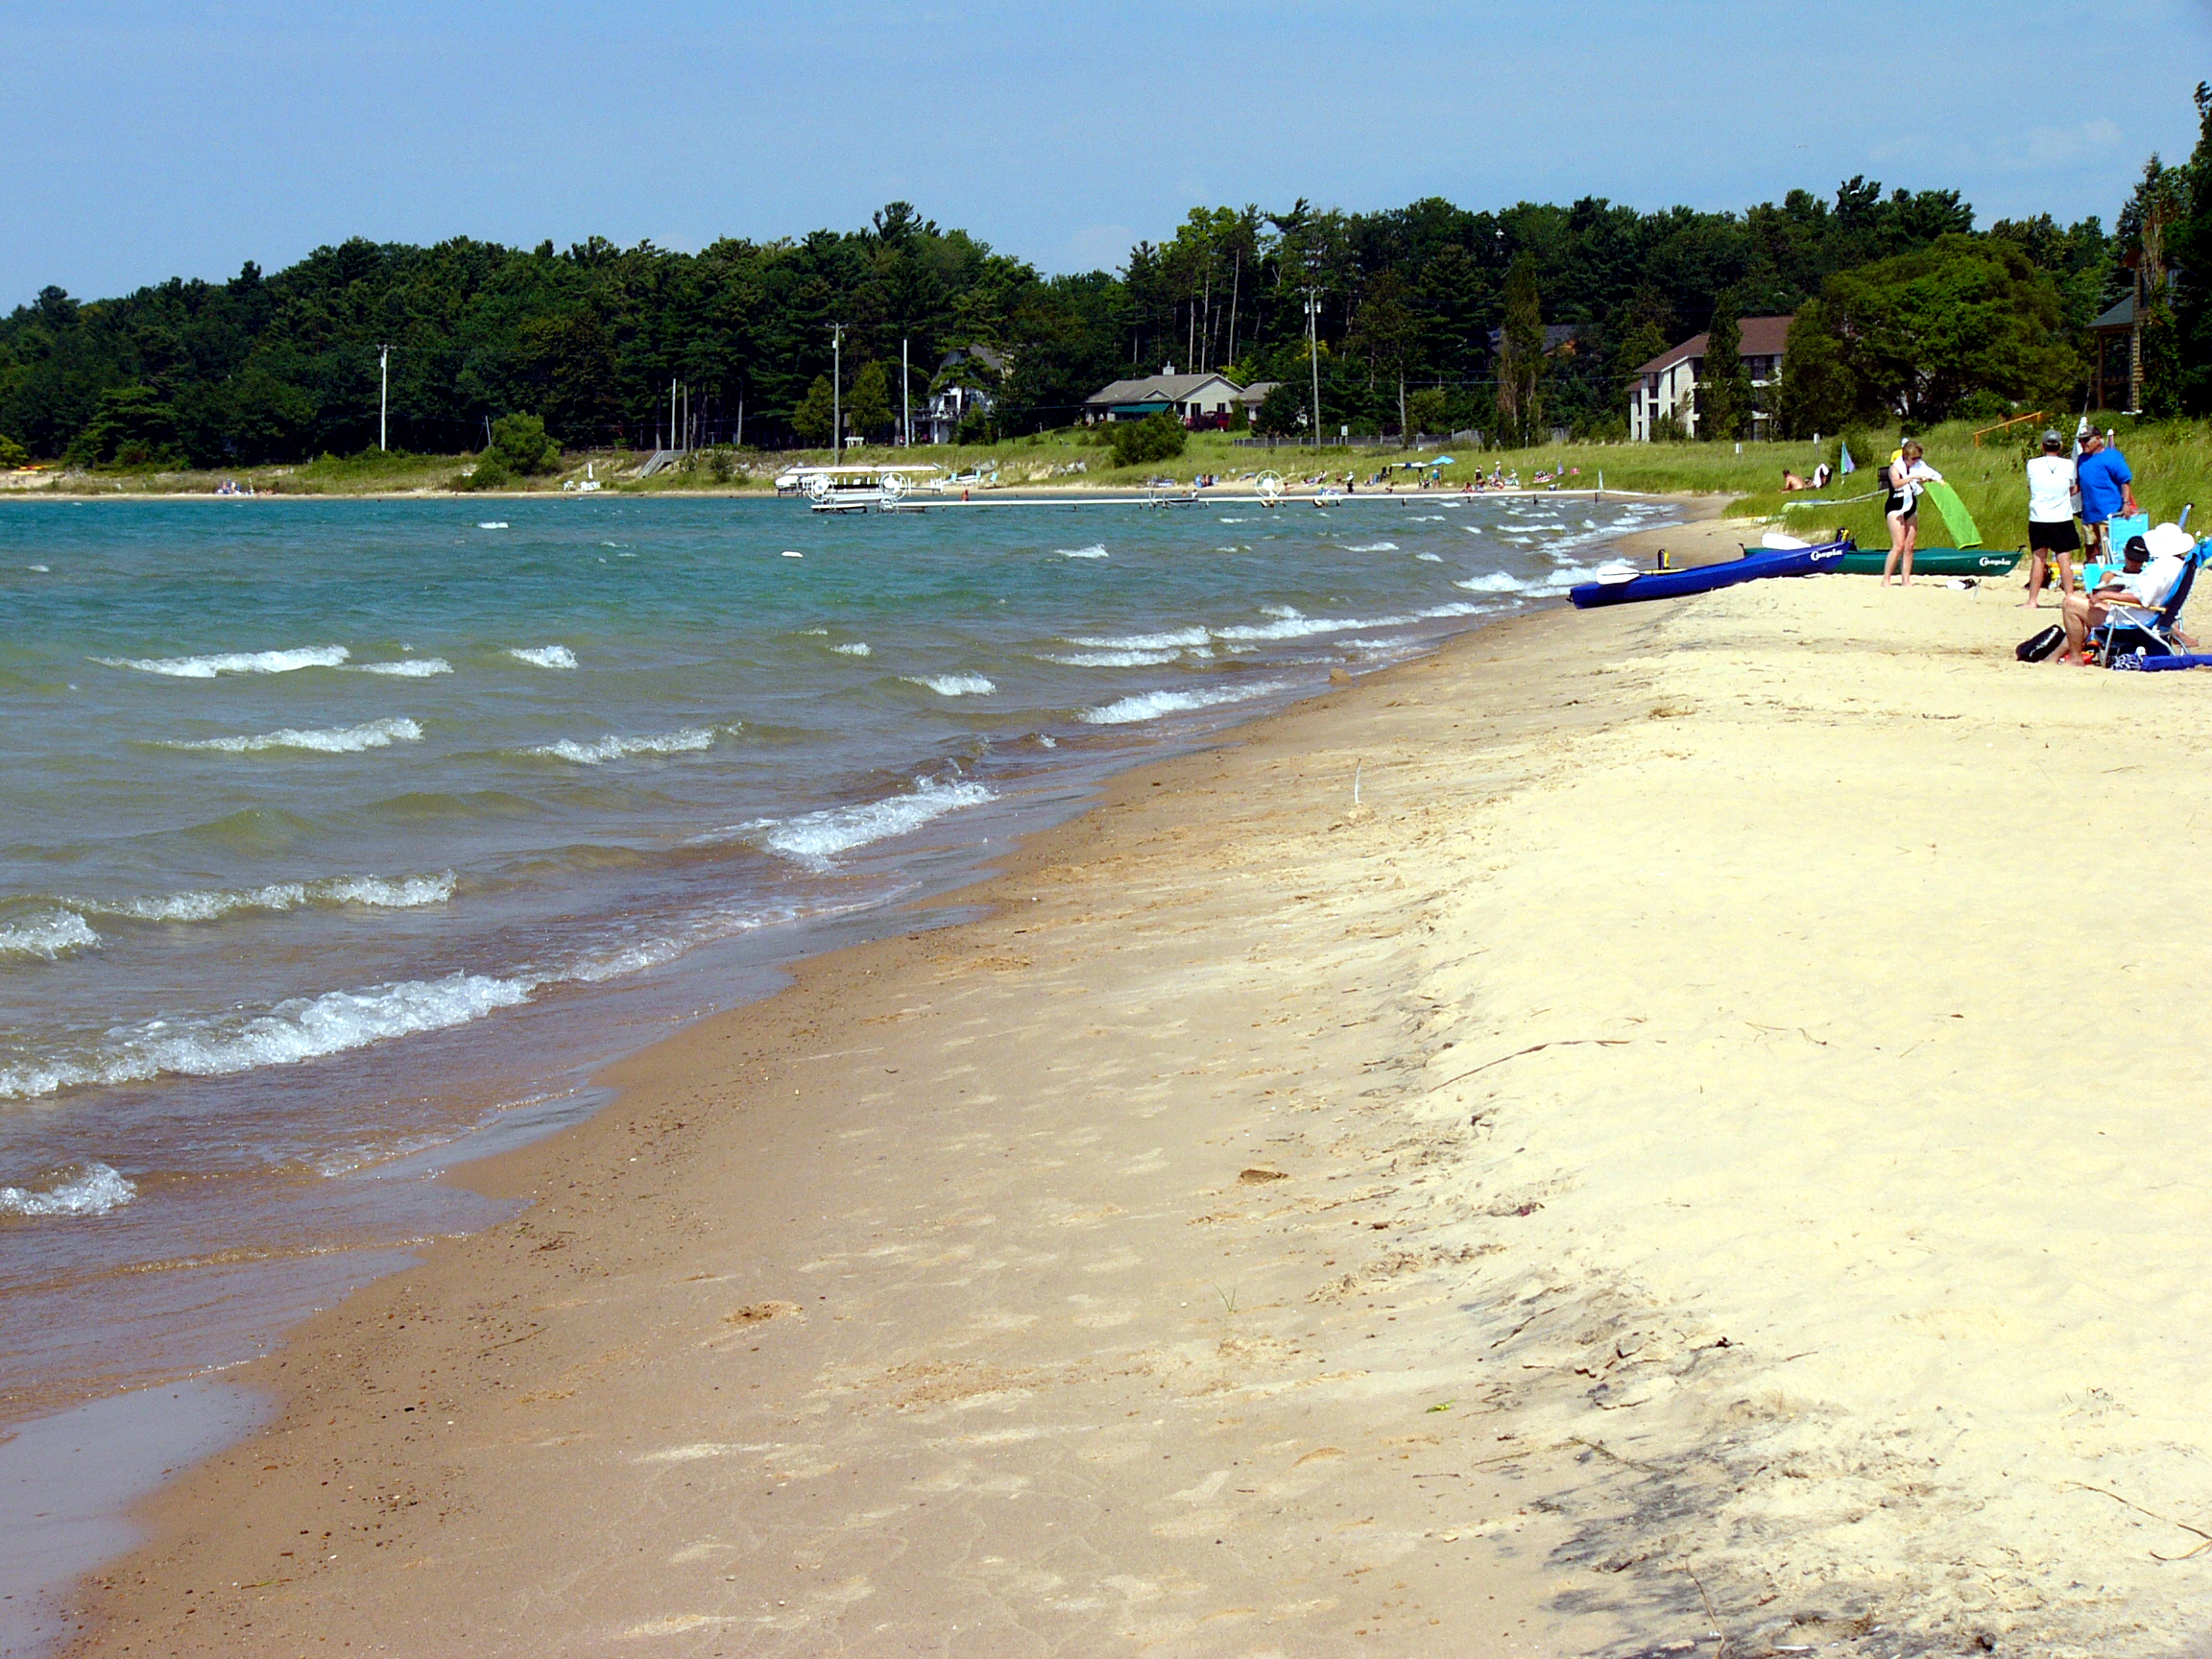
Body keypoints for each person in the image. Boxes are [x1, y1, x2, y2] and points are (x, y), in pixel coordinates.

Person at [2056, 533, 2183, 664]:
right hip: (2128, 611)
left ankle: (2071, 658)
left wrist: (2105, 596)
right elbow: (2097, 592)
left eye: (2139, 560)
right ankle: (2055, 657)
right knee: (2081, 615)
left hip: (2131, 616)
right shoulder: (2112, 575)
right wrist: (2103, 594)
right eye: (2132, 558)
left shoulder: (2153, 575)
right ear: (2125, 553)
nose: (2135, 563)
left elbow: (2143, 600)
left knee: (2070, 603)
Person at [2022, 429, 2081, 609]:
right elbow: (2073, 488)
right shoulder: (2068, 465)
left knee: (2038, 558)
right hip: (2061, 517)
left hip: (2039, 517)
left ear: (2043, 446)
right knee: (2064, 559)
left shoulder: (2032, 464)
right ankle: (2070, 597)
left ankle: (2033, 600)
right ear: (2060, 445)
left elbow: (2031, 487)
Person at [1881, 439, 1941, 587]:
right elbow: (1896, 483)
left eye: (1918, 458)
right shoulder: (1895, 468)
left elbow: (1929, 473)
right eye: (1914, 458)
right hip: (1896, 507)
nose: (1916, 461)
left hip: (1911, 506)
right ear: (1906, 456)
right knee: (1899, 545)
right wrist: (1913, 478)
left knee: (1910, 545)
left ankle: (1906, 580)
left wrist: (1935, 480)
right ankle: (1886, 579)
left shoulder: (1918, 467)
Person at [2076, 429, 2141, 565]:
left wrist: (2126, 503)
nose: (2082, 444)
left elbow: (2125, 481)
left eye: (2086, 440)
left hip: (2109, 512)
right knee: (2091, 550)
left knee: (2111, 551)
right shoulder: (2082, 459)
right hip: (2089, 514)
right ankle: (2094, 580)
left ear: (2098, 439)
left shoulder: (2112, 457)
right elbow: (2079, 484)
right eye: (2080, 440)